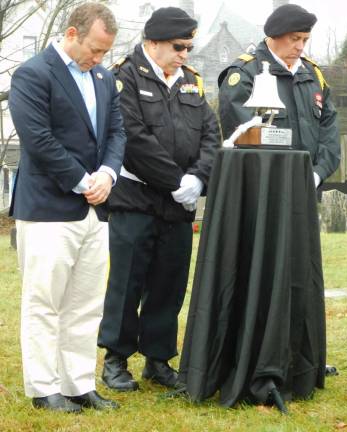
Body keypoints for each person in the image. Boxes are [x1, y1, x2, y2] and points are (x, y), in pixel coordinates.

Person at [9, 2, 125, 412]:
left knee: (86, 302)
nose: (100, 58)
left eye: (105, 52)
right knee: (45, 302)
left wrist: (109, 174)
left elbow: (116, 132)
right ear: (72, 34)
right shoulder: (33, 75)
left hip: (95, 210)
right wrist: (82, 182)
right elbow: (38, 140)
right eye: (95, 49)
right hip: (47, 209)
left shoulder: (105, 78)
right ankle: (44, 388)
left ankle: (78, 383)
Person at [97, 7, 220, 391]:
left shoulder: (193, 83)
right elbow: (132, 138)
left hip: (179, 204)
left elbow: (211, 137)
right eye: (178, 46)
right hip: (136, 197)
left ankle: (158, 359)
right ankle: (116, 359)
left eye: (189, 46)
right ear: (152, 42)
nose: (185, 53)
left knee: (169, 282)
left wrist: (199, 179)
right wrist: (175, 181)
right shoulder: (124, 77)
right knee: (127, 281)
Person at [218, 3, 340, 186]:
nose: (300, 47)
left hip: (307, 186)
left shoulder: (313, 75)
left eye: (305, 40)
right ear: (275, 35)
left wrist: (317, 173)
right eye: (295, 38)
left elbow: (329, 129)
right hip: (261, 188)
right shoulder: (246, 74)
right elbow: (243, 137)